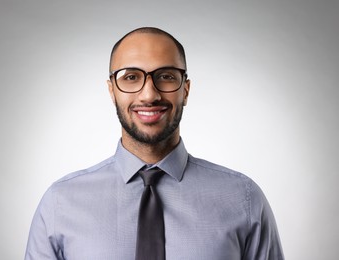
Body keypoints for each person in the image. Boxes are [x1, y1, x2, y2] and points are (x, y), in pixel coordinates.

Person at [25, 27, 284, 260]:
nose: (149, 94)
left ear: (186, 90)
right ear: (111, 91)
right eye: (130, 77)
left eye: (167, 76)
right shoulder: (60, 203)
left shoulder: (243, 199)